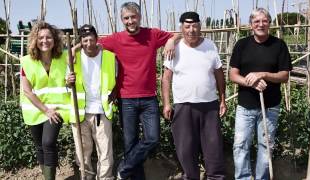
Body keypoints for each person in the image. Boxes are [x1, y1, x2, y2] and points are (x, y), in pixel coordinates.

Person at [97, 2, 179, 179]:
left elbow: (179, 34)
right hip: (126, 99)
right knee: (130, 143)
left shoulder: (152, 34)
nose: (130, 21)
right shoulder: (116, 39)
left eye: (133, 17)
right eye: (126, 18)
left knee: (153, 138)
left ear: (139, 17)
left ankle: (124, 168)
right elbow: (92, 43)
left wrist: (171, 40)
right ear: (121, 20)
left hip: (149, 98)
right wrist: (73, 49)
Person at [161, 11, 227, 180]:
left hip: (209, 106)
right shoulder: (174, 48)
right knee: (186, 149)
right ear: (182, 28)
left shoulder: (210, 45)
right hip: (183, 106)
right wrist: (167, 103)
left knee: (213, 149)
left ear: (200, 26)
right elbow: (166, 77)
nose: (191, 30)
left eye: (195, 26)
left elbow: (219, 74)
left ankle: (215, 177)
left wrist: (222, 100)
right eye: (187, 26)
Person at [229, 8, 292, 180]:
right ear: (251, 25)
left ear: (269, 23)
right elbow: (233, 75)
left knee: (266, 146)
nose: (260, 24)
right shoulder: (242, 45)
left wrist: (263, 75)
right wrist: (252, 82)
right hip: (245, 106)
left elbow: (284, 76)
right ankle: (243, 178)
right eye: (256, 21)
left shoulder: (279, 45)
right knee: (240, 146)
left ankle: (261, 178)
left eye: (264, 21)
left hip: (270, 107)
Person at [20, 21, 69, 180]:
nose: (45, 41)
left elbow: (80, 54)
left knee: (48, 143)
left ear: (54, 39)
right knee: (40, 146)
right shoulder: (27, 61)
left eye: (49, 37)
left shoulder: (64, 58)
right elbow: (27, 91)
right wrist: (44, 109)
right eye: (41, 37)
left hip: (55, 109)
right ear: (35, 40)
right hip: (34, 110)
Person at [67, 24, 116, 180]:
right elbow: (67, 85)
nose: (89, 43)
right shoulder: (72, 58)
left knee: (105, 149)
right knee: (82, 150)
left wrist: (112, 98)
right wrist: (68, 82)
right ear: (81, 41)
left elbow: (117, 81)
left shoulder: (109, 57)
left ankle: (105, 177)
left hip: (102, 111)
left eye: (91, 39)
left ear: (97, 39)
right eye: (85, 40)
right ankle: (86, 176)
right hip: (80, 111)